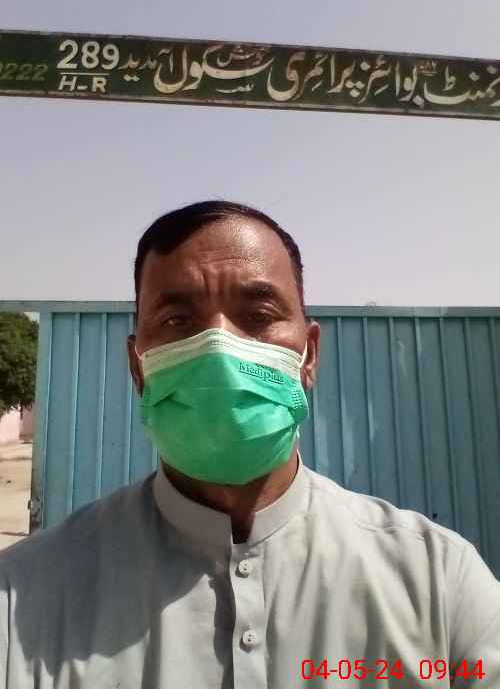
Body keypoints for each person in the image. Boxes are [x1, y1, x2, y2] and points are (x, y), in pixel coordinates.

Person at [1, 199, 499, 689]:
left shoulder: (439, 583)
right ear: (138, 367)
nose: (219, 348)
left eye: (259, 315)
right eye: (177, 320)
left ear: (309, 356)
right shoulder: (23, 599)